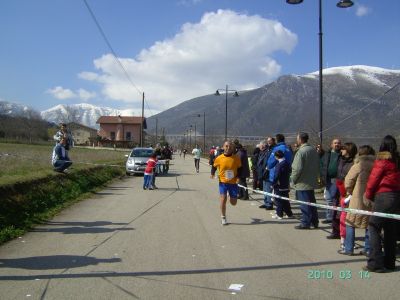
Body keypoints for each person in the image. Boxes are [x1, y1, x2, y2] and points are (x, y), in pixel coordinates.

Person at [363, 135, 400, 273]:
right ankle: (389, 262)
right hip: (396, 197)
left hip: (384, 196)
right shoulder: (397, 160)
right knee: (390, 230)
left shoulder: (382, 160)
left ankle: (375, 263)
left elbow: (373, 180)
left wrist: (367, 195)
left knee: (374, 227)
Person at [338, 145, 375, 256]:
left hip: (357, 198)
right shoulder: (375, 165)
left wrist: (350, 192)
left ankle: (349, 248)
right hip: (371, 198)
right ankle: (368, 249)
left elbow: (348, 182)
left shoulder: (358, 165)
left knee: (350, 222)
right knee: (369, 223)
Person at [290, 132, 320, 229]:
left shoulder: (301, 152)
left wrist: (292, 180)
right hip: (311, 180)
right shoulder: (313, 150)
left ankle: (305, 222)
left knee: (304, 203)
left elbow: (297, 168)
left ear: (300, 140)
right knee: (312, 202)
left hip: (302, 182)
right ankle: (315, 221)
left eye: (297, 138)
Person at [211, 140, 242, 225]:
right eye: (226, 146)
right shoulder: (219, 158)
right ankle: (223, 217)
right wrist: (212, 174)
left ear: (232, 148)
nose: (228, 148)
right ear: (223, 147)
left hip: (233, 183)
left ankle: (230, 196)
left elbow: (240, 169)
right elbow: (214, 167)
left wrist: (238, 177)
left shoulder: (236, 158)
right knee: (223, 199)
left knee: (233, 203)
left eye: (230, 146)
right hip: (223, 182)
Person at [335, 142, 358, 250]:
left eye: (343, 149)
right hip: (340, 190)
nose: (341, 150)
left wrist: (349, 192)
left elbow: (351, 178)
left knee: (346, 218)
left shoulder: (354, 163)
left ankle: (347, 242)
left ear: (348, 150)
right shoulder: (341, 160)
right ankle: (342, 239)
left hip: (348, 192)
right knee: (342, 216)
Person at [267, 134, 293, 217]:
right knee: (285, 195)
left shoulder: (277, 149)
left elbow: (271, 163)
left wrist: (268, 166)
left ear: (277, 140)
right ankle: (287, 212)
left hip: (277, 174)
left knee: (278, 196)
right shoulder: (288, 149)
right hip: (286, 174)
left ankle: (279, 213)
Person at [320, 138, 342, 232]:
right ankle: (329, 217)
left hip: (336, 179)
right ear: (331, 144)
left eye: (338, 143)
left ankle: (333, 217)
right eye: (335, 143)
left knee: (334, 199)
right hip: (327, 179)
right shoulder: (327, 154)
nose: (337, 144)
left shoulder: (341, 155)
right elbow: (322, 165)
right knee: (328, 199)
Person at [271, 150, 293, 219]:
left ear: (277, 156)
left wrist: (273, 184)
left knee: (279, 200)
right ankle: (289, 213)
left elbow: (276, 175)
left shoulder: (279, 164)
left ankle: (279, 214)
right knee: (286, 200)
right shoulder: (287, 163)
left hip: (279, 185)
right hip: (286, 184)